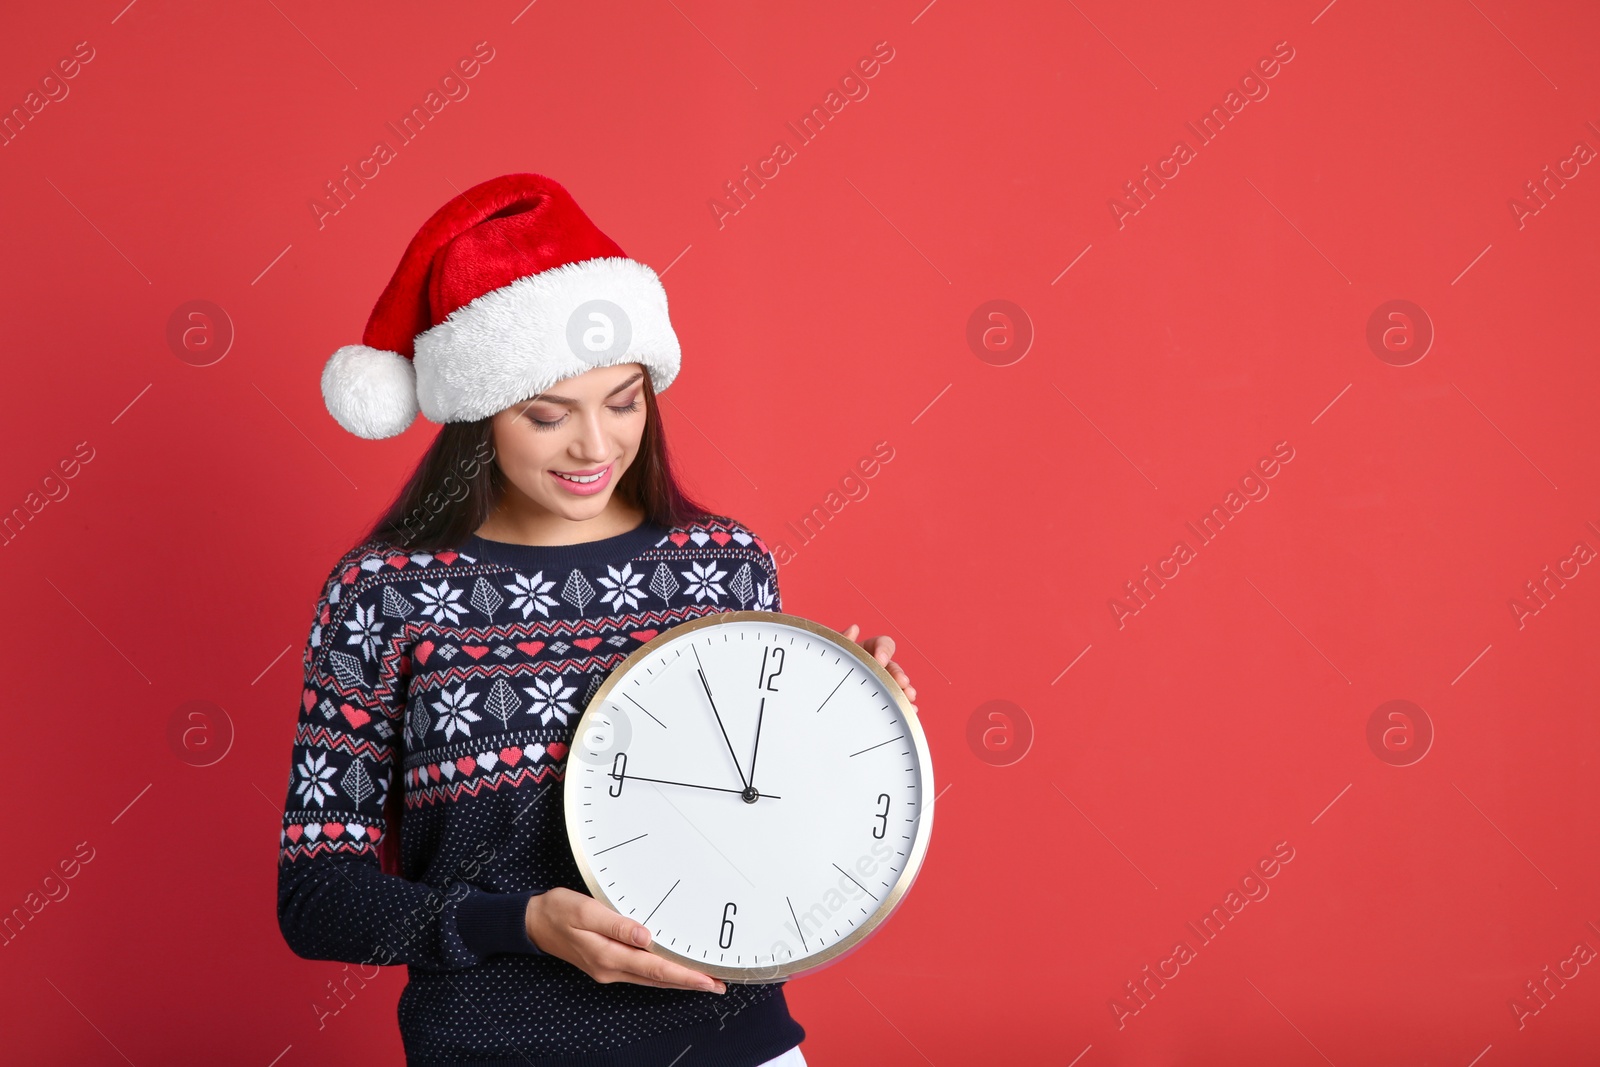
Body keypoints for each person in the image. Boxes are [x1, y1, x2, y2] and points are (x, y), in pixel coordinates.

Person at [276, 173, 918, 1066]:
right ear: (475, 418)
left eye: (624, 400)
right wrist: (519, 924)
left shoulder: (723, 567)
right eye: (547, 414)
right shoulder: (383, 595)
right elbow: (317, 898)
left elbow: (759, 816)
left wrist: (851, 713)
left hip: (734, 1046)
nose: (595, 445)